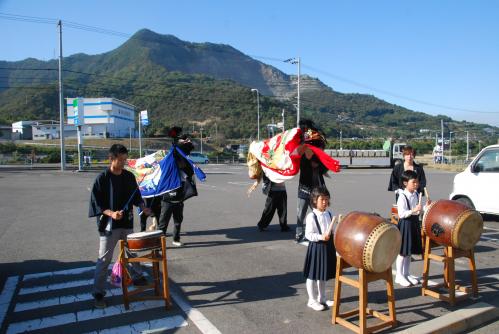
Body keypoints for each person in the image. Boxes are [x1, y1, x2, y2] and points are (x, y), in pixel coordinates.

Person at [88, 144, 151, 309]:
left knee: (132, 251)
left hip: (127, 222)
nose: (123, 163)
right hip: (108, 225)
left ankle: (137, 276)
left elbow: (136, 196)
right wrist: (111, 213)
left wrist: (143, 207)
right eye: (121, 160)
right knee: (104, 259)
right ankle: (98, 294)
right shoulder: (102, 178)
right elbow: (96, 203)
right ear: (111, 158)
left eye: (125, 159)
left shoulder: (129, 176)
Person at [395, 170, 431, 287]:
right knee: (402, 252)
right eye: (413, 182)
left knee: (409, 251)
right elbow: (401, 214)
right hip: (405, 224)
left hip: (414, 223)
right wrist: (413, 210)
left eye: (417, 182)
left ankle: (406, 273)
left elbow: (419, 211)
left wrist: (426, 207)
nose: (416, 184)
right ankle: (399, 276)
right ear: (405, 183)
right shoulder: (402, 196)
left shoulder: (416, 194)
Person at [303, 186, 337, 311]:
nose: (325, 202)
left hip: (327, 247)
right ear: (314, 200)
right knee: (312, 275)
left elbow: (333, 231)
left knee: (322, 275)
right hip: (316, 247)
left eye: (326, 199)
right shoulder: (311, 216)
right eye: (322, 199)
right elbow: (308, 235)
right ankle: (311, 300)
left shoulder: (329, 213)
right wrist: (321, 237)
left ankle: (322, 298)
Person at [158, 135, 196, 247]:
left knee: (178, 221)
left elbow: (190, 171)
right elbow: (174, 150)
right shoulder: (169, 162)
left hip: (179, 198)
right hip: (167, 199)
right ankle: (160, 242)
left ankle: (176, 239)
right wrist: (179, 142)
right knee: (163, 223)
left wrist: (187, 143)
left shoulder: (185, 166)